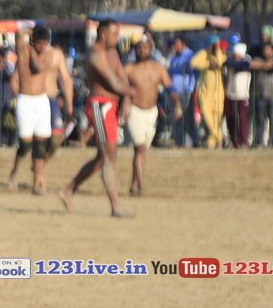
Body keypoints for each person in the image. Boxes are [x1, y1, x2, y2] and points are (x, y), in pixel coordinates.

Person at [59, 20, 134, 218]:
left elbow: (122, 78)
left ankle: (68, 191)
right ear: (103, 35)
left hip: (111, 108)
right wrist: (137, 92)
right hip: (99, 107)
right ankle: (116, 206)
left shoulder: (113, 52)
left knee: (104, 157)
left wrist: (127, 98)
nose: (118, 38)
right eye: (115, 35)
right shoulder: (96, 53)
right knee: (108, 156)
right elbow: (114, 83)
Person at [7, 27, 55, 194]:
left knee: (40, 145)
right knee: (25, 145)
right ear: (33, 41)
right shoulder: (23, 51)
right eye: (38, 43)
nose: (42, 46)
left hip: (41, 101)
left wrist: (32, 49)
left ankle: (36, 184)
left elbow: (39, 67)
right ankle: (15, 171)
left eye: (44, 43)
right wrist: (31, 34)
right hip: (25, 100)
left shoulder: (48, 54)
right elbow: (19, 33)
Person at [123, 36, 172, 195]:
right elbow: (121, 89)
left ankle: (134, 185)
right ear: (135, 50)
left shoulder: (159, 68)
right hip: (134, 111)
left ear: (151, 49)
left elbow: (170, 88)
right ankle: (141, 184)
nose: (142, 50)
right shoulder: (128, 69)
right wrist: (125, 100)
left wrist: (177, 103)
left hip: (152, 113)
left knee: (142, 151)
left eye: (145, 47)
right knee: (140, 148)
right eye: (139, 47)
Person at [190, 37, 225, 148]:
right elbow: (193, 62)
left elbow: (220, 62)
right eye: (211, 45)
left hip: (218, 95)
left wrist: (217, 50)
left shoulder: (221, 54)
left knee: (216, 119)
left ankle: (211, 142)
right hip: (205, 94)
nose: (211, 47)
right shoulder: (204, 54)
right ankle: (220, 137)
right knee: (206, 115)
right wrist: (208, 65)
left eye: (214, 45)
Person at [166, 37, 198, 148]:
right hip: (173, 93)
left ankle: (190, 142)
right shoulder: (174, 57)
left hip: (184, 92)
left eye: (177, 44)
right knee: (175, 118)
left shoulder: (190, 57)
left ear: (183, 44)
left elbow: (194, 75)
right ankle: (178, 141)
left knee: (185, 118)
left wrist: (190, 90)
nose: (174, 46)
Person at [223, 42, 251, 149]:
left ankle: (242, 141)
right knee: (230, 118)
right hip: (230, 95)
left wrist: (236, 64)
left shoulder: (246, 62)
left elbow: (242, 66)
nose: (236, 57)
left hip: (242, 96)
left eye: (238, 55)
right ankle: (234, 141)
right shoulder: (230, 62)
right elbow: (227, 63)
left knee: (242, 119)